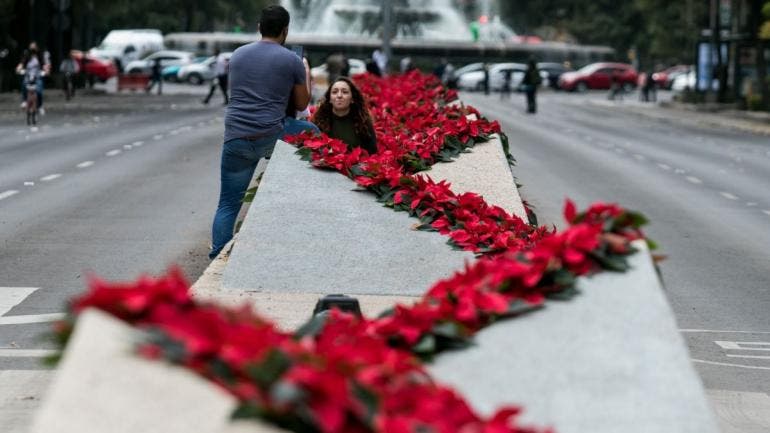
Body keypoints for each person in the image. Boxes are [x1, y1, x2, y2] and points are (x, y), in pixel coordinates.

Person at [209, 5, 318, 259]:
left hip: (235, 136)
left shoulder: (237, 55)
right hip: (271, 135)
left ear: (259, 28)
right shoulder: (291, 60)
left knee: (227, 204)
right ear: (285, 30)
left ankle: (218, 256)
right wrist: (306, 73)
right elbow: (302, 104)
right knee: (313, 133)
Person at [311, 76, 377, 154]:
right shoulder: (318, 121)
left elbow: (372, 152)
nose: (339, 96)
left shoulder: (364, 121)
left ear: (352, 99)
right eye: (335, 92)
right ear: (330, 99)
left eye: (345, 92)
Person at [15, 42, 50, 114]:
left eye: (34, 48)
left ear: (37, 48)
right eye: (31, 48)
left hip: (37, 76)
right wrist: (18, 69)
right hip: (28, 76)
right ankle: (24, 100)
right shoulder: (26, 57)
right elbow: (21, 64)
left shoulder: (40, 56)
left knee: (39, 91)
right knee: (24, 84)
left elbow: (44, 65)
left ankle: (40, 106)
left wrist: (46, 70)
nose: (32, 50)